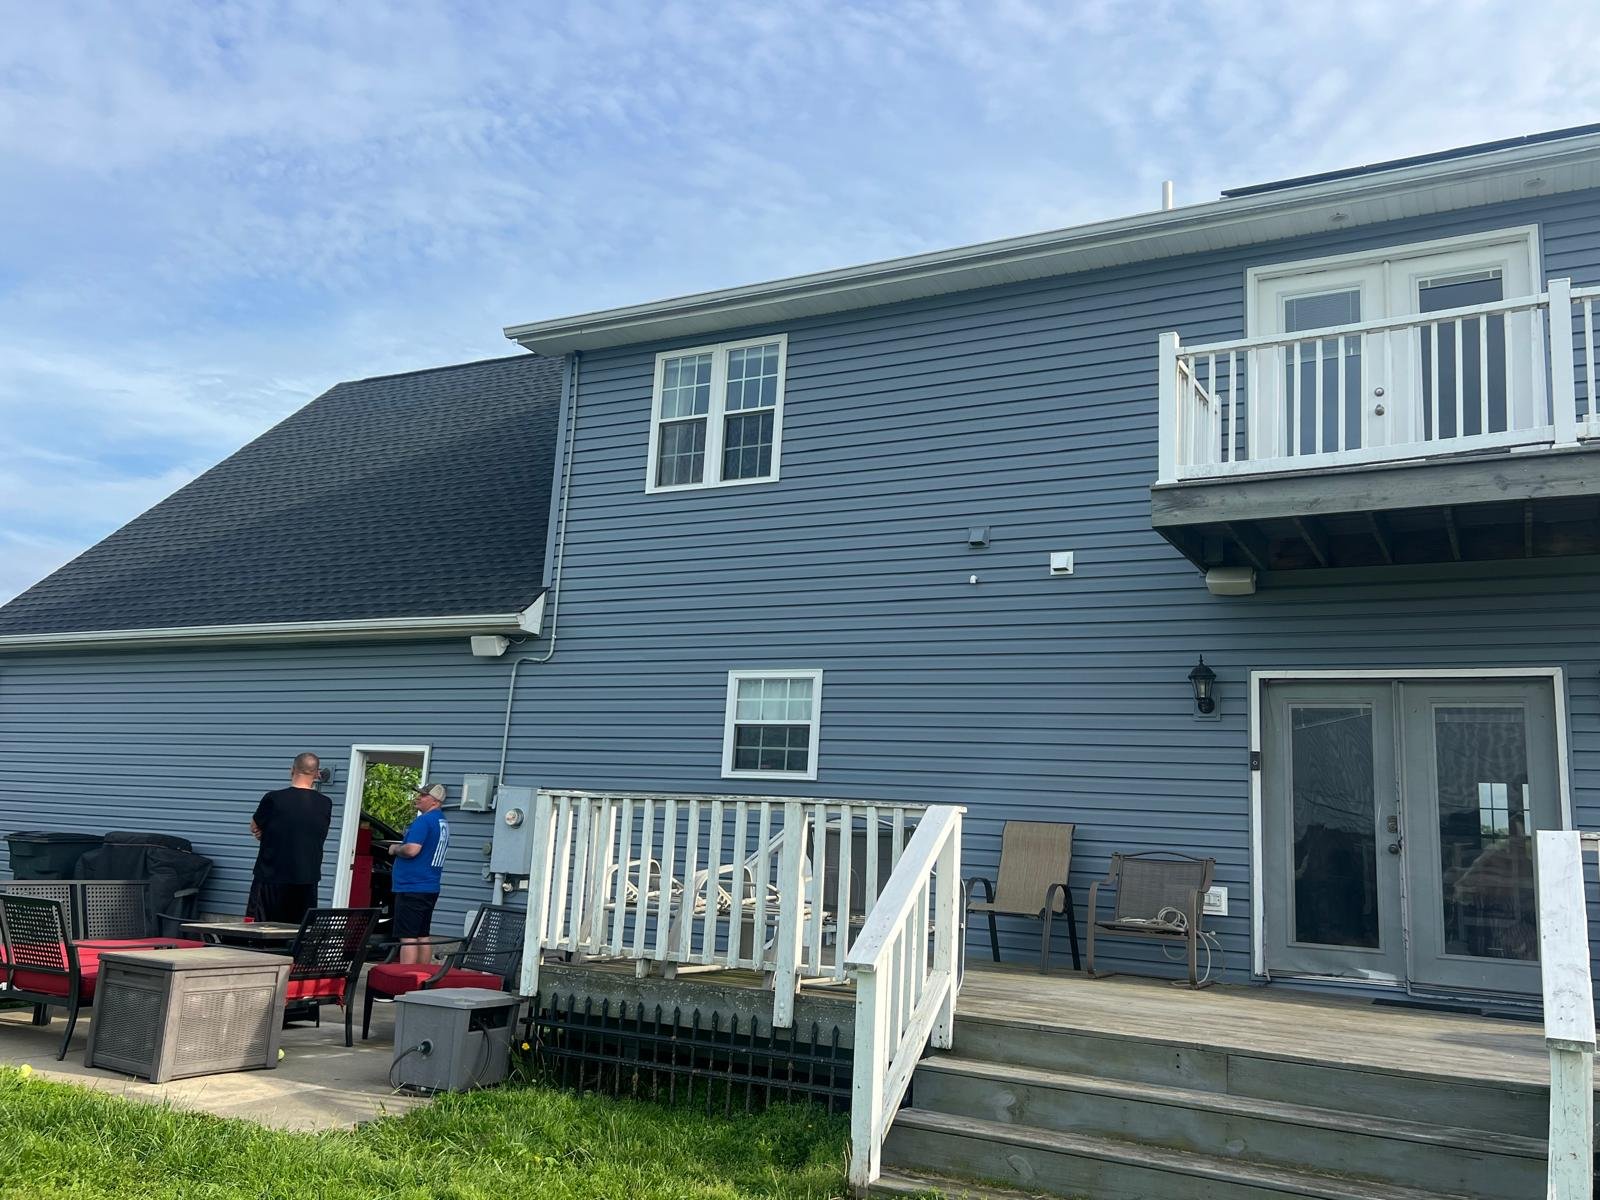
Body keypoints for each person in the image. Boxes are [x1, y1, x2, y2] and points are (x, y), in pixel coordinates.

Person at [248, 752, 333, 923]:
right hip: (307, 880)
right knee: (297, 930)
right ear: (317, 774)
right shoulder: (325, 803)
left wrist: (266, 834)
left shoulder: (273, 798)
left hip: (271, 877)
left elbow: (254, 826)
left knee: (259, 928)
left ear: (292, 770)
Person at [388, 783, 450, 963]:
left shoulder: (424, 821)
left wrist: (394, 849)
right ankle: (424, 974)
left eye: (423, 795)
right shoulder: (442, 822)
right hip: (430, 886)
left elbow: (412, 850)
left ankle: (407, 976)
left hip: (412, 887)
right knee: (423, 935)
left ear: (435, 801)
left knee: (408, 937)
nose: (418, 798)